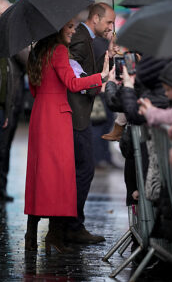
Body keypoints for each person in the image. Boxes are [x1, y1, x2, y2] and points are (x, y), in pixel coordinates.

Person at [24, 18, 109, 253]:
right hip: (58, 118)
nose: (73, 31)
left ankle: (31, 235)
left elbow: (33, 87)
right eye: (69, 26)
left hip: (40, 115)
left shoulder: (37, 51)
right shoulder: (59, 50)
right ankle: (55, 235)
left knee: (40, 175)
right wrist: (100, 76)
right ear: (57, 28)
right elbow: (72, 83)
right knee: (61, 177)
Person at [66, 3, 116, 244]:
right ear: (95, 18)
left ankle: (72, 224)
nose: (111, 27)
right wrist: (89, 82)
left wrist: (109, 56)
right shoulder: (80, 37)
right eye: (108, 22)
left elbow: (90, 68)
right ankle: (72, 226)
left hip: (80, 112)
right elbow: (73, 70)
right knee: (83, 170)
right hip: (76, 115)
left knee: (83, 170)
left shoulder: (90, 38)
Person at [0, 0, 29, 202]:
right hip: (7, 98)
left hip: (13, 96)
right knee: (3, 145)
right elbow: (27, 59)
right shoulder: (9, 34)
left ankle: (1, 187)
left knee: (6, 144)